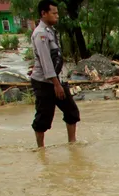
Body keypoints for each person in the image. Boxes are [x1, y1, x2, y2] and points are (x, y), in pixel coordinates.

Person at [29, 0, 80, 148]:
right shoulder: (40, 34)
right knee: (43, 117)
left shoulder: (50, 31)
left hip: (57, 80)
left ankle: (72, 143)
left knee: (72, 112)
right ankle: (41, 149)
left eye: (57, 13)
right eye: (54, 13)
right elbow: (46, 62)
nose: (57, 16)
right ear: (43, 14)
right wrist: (56, 85)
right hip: (44, 82)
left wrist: (59, 81)